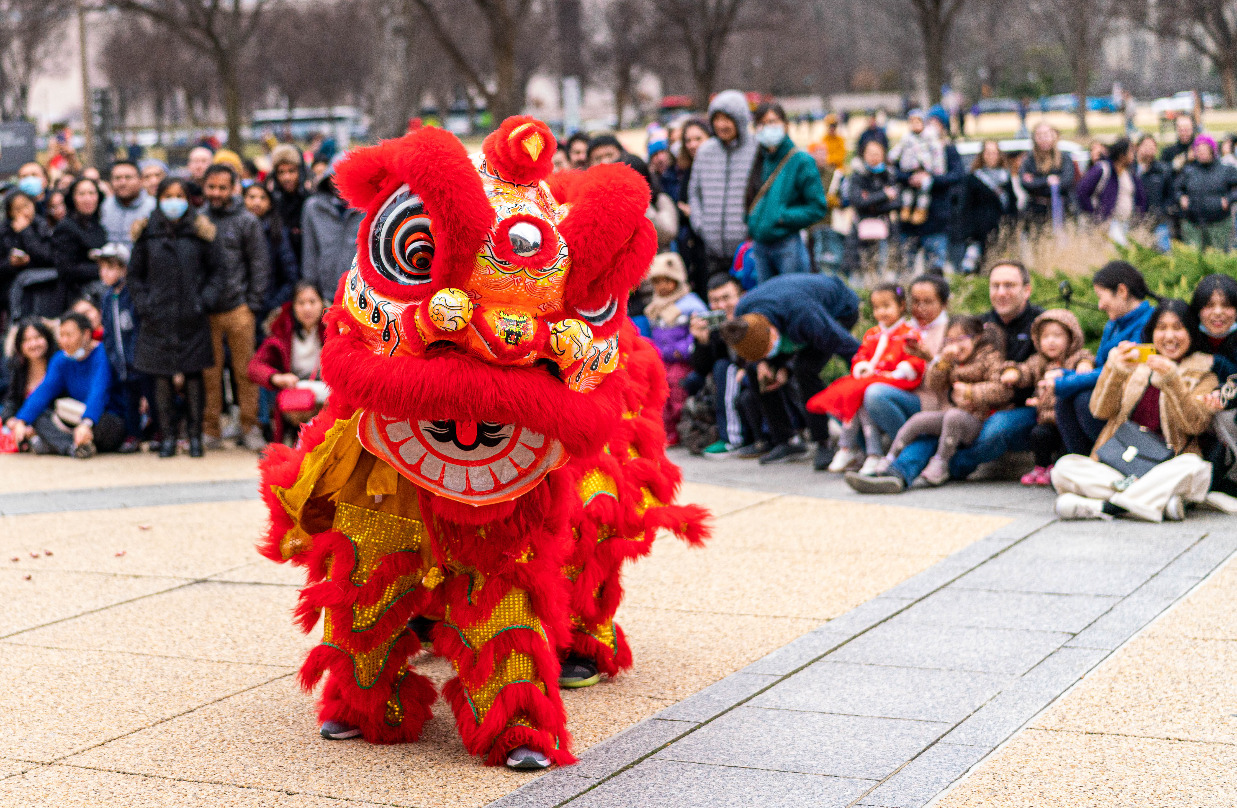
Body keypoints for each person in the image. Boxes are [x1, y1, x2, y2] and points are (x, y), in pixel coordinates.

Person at [849, 261, 1043, 493]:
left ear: (1027, 290)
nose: (1001, 292)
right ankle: (897, 473)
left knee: (995, 429)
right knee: (936, 424)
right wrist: (944, 368)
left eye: (1009, 285)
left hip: (1019, 405)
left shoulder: (1040, 324)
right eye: (995, 286)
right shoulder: (977, 325)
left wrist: (976, 391)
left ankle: (951, 465)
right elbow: (947, 375)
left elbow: (1041, 364)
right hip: (968, 407)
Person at [1053, 300, 1218, 522]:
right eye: (1162, 328)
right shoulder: (1135, 367)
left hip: (1166, 467)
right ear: (1151, 332)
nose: (1169, 336)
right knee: (1064, 467)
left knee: (1195, 467)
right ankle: (1152, 503)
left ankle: (1103, 506)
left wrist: (1172, 380)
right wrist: (1115, 371)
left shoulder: (1204, 376)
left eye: (1178, 328)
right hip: (1120, 465)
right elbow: (1100, 410)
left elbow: (1195, 425)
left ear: (1191, 332)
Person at [720, 273, 861, 468]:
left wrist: (862, 378)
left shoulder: (806, 318)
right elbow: (755, 353)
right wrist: (762, 363)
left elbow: (850, 349)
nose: (769, 356)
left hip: (838, 309)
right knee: (758, 374)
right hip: (788, 306)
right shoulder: (743, 312)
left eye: (768, 350)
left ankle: (824, 442)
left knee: (805, 369)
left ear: (773, 331)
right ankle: (786, 440)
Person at [129, 177, 220, 458]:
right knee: (161, 378)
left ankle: (195, 437)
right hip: (157, 318)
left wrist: (203, 301)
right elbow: (134, 276)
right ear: (158, 199)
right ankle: (167, 436)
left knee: (194, 376)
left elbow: (216, 272)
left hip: (192, 317)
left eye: (179, 195)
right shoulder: (146, 233)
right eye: (168, 195)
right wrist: (146, 304)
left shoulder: (200, 232)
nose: (174, 201)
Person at [872, 316, 1011, 485]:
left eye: (961, 339)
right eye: (950, 340)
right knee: (918, 420)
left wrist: (970, 392)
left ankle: (941, 463)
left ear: (977, 338)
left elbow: (1003, 390)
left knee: (953, 416)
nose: (955, 345)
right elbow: (934, 384)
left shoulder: (990, 358)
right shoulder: (952, 361)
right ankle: (889, 459)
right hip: (953, 416)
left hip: (979, 419)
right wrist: (942, 362)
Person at [808, 282, 925, 474]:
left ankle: (865, 451)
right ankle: (855, 449)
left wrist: (898, 371)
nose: (881, 312)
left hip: (896, 381)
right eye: (877, 307)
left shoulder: (909, 333)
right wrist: (862, 368)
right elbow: (861, 356)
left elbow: (915, 360)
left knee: (860, 392)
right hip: (872, 378)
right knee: (845, 393)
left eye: (886, 306)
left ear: (901, 305)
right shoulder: (873, 334)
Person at [1054, 261, 1156, 456]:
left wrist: (1066, 381)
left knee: (1084, 400)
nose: (1100, 306)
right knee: (1064, 400)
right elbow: (1101, 366)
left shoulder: (1149, 322)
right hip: (1108, 391)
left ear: (1122, 291)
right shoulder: (1113, 324)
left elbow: (1124, 368)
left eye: (1101, 297)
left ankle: (1110, 458)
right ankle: (1080, 463)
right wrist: (1064, 374)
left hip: (1132, 400)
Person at [202, 163, 270, 451]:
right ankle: (211, 427)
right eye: (211, 187)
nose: (216, 193)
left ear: (233, 188)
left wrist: (252, 304)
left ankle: (249, 425)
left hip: (240, 308)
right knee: (209, 372)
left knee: (245, 371)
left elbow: (259, 263)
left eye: (222, 187)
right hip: (206, 310)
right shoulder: (199, 220)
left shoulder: (247, 221)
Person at [7, 311, 123, 457]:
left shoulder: (102, 353)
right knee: (40, 418)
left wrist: (87, 423)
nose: (64, 341)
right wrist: (22, 421)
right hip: (76, 417)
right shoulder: (61, 359)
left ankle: (69, 444)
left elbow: (99, 392)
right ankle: (73, 448)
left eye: (69, 335)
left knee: (104, 425)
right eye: (61, 335)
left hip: (103, 417)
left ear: (86, 334)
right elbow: (44, 391)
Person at [999, 309, 1094, 485]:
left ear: (1071, 337)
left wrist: (1084, 366)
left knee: (1067, 446)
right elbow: (1025, 370)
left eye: (1057, 336)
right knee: (1038, 435)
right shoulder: (1039, 361)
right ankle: (1042, 467)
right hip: (1046, 420)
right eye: (1045, 337)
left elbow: (1086, 358)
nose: (1051, 341)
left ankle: (1061, 469)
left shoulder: (1075, 358)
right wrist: (1013, 373)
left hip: (1067, 421)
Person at [743, 102, 828, 282]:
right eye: (762, 123)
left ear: (785, 125)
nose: (767, 128)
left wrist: (783, 217)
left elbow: (817, 207)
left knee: (791, 295)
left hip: (787, 243)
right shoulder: (759, 159)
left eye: (772, 122)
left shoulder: (801, 161)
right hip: (759, 244)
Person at [248, 282, 328, 445]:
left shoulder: (334, 329)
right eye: (301, 303)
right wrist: (276, 377)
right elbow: (254, 367)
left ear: (322, 303)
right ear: (293, 306)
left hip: (327, 395)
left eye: (312, 302)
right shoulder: (281, 330)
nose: (307, 308)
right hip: (296, 396)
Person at [688, 89, 757, 277]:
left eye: (727, 119)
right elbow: (695, 192)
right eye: (716, 119)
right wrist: (701, 225)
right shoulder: (705, 151)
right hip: (712, 249)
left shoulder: (757, 149)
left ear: (740, 120)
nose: (721, 125)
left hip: (748, 249)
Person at [644, 253, 707, 443]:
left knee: (676, 388)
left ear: (677, 280)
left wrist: (683, 349)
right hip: (663, 360)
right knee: (658, 390)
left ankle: (682, 427)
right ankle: (667, 429)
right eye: (657, 282)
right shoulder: (655, 307)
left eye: (667, 281)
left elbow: (697, 332)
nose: (662, 287)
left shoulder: (690, 304)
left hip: (683, 361)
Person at [897, 109, 962, 274]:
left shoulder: (948, 150)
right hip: (909, 221)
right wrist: (910, 178)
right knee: (905, 269)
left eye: (937, 124)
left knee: (935, 270)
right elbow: (895, 171)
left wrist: (930, 180)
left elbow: (956, 175)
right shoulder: (909, 146)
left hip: (937, 219)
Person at [1189, 274, 1237, 496]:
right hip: (1195, 410)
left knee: (1224, 416)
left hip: (1229, 413)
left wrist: (1216, 363)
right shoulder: (1188, 336)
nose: (1218, 312)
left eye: (1226, 305)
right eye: (1209, 306)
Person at [688, 273, 746, 455]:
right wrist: (702, 342)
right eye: (715, 300)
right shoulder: (715, 325)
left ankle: (731, 439)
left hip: (749, 371)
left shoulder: (751, 317)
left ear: (741, 296)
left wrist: (746, 368)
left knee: (724, 368)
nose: (721, 306)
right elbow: (702, 368)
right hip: (727, 377)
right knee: (693, 379)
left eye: (726, 298)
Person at [96, 242, 143, 453]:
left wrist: (137, 355)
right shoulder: (107, 298)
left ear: (125, 269)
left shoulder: (133, 294)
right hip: (121, 363)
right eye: (102, 268)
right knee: (129, 401)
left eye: (111, 267)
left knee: (150, 396)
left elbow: (138, 328)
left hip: (140, 361)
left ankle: (159, 431)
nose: (105, 273)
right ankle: (133, 434)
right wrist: (114, 357)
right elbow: (107, 332)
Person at [301, 169, 363, 300]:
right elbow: (309, 250)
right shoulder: (313, 207)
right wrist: (311, 286)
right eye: (334, 178)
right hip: (323, 292)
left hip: (360, 292)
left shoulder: (367, 207)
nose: (339, 184)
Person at [955, 140, 1015, 274]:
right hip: (979, 232)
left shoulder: (1005, 176)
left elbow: (1012, 204)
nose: (991, 156)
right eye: (988, 153)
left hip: (1001, 229)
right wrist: (968, 233)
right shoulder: (973, 178)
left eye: (994, 153)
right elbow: (965, 207)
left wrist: (1012, 225)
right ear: (982, 155)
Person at [243, 183, 300, 317]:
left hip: (268, 306)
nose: (257, 202)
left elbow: (290, 276)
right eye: (252, 197)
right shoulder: (235, 228)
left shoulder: (277, 232)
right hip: (238, 307)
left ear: (269, 203)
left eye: (263, 198)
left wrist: (273, 303)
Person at [52, 177, 108, 313]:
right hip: (76, 296)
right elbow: (67, 268)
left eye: (92, 193)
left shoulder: (97, 224)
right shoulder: (66, 227)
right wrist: (102, 269)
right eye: (81, 194)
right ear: (72, 198)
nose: (88, 199)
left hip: (98, 292)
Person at [845, 139, 900, 276]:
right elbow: (857, 201)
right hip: (860, 232)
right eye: (870, 153)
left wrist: (870, 199)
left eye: (877, 153)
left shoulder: (889, 175)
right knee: (860, 268)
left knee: (882, 268)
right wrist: (884, 195)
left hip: (886, 230)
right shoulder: (858, 176)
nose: (873, 157)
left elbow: (897, 202)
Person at [1077, 138, 1145, 245]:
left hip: (1125, 224)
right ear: (1122, 155)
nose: (1134, 155)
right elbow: (1082, 191)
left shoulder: (1129, 173)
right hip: (1106, 224)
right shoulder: (1103, 169)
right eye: (1131, 152)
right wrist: (1094, 214)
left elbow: (1140, 197)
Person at [1176, 134, 1237, 251]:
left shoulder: (1226, 169)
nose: (1201, 153)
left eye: (1205, 150)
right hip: (1193, 224)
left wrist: (1228, 200)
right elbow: (1177, 188)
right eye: (1198, 150)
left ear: (1212, 150)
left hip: (1219, 224)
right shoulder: (1189, 170)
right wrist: (1181, 198)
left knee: (1217, 259)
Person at [0, 191, 55, 322]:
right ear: (10, 212)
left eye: (26, 206)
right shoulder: (4, 232)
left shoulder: (42, 226)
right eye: (17, 209)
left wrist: (26, 232)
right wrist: (10, 263)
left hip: (42, 288)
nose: (24, 212)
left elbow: (48, 257)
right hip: (11, 291)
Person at [675, 118, 712, 297]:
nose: (692, 144)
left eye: (698, 138)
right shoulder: (687, 171)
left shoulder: (715, 170)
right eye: (688, 140)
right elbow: (681, 207)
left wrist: (694, 212)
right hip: (694, 248)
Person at [888, 109, 943, 227]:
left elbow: (937, 153)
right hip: (909, 170)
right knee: (907, 192)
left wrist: (937, 170)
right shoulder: (907, 137)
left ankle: (921, 209)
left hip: (925, 170)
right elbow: (898, 149)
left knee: (924, 190)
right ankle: (906, 208)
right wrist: (891, 157)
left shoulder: (929, 136)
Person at [1019, 123, 1076, 229]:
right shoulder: (1029, 160)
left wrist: (1038, 182)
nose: (1043, 138)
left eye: (1046, 134)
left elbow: (1067, 181)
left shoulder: (1064, 158)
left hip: (1062, 209)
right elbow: (1026, 184)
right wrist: (1047, 180)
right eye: (1039, 135)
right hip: (1037, 211)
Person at [1, 318, 56, 425]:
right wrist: (9, 419)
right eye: (26, 340)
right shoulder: (19, 368)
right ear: (20, 345)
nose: (33, 344)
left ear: (47, 338)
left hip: (50, 426)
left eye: (38, 337)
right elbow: (12, 400)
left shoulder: (57, 365)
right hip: (21, 426)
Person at [99, 160, 155, 249]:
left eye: (128, 177)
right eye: (117, 178)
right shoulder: (105, 205)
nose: (123, 183)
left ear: (141, 180)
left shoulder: (153, 207)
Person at [1134, 134, 1173, 250]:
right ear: (1137, 148)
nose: (1149, 150)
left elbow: (1170, 195)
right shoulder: (1131, 170)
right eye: (1146, 146)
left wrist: (1162, 211)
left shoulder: (1163, 170)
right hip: (1136, 222)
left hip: (1159, 222)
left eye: (1152, 147)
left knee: (1163, 254)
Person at [269, 143, 307, 262]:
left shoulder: (309, 201)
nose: (287, 177)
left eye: (291, 171)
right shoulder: (272, 202)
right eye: (281, 172)